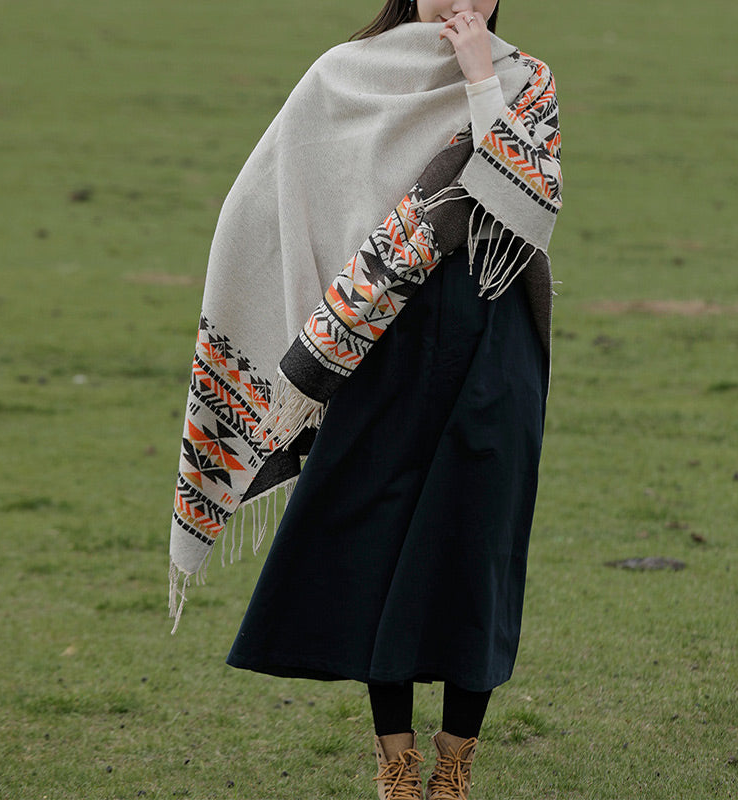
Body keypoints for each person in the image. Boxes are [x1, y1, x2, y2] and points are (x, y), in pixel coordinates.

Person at [168, 1, 562, 797]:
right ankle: (396, 761)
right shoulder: (345, 75)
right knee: (374, 532)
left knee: (476, 537)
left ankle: (455, 761)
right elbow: (266, 199)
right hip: (382, 342)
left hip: (495, 338)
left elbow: (524, 216)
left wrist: (482, 79)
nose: (461, 0)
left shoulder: (526, 80)